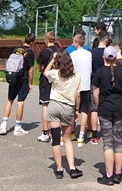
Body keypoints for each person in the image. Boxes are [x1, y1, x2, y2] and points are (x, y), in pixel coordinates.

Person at [92, 45, 122, 185]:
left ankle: (108, 175)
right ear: (115, 58)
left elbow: (95, 93)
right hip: (120, 108)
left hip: (105, 108)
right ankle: (118, 173)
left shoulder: (99, 72)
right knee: (118, 141)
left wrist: (100, 105)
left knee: (108, 142)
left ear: (104, 58)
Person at [43, 49, 84, 179]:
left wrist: (52, 60)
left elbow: (45, 72)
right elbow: (78, 95)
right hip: (68, 108)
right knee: (67, 139)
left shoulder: (56, 73)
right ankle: (72, 168)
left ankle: (59, 169)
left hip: (54, 106)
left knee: (55, 140)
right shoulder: (76, 76)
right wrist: (76, 110)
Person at [0, 33, 36, 136]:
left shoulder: (16, 50)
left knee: (10, 100)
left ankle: (3, 126)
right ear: (32, 42)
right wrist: (31, 83)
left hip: (13, 78)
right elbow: (31, 70)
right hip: (23, 80)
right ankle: (17, 128)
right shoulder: (30, 53)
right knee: (20, 102)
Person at [69, 33, 93, 147]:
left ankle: (72, 132)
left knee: (73, 109)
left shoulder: (73, 54)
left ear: (77, 43)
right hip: (86, 84)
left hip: (75, 84)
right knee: (84, 111)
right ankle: (81, 136)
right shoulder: (89, 53)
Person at [37, 31, 59, 142]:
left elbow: (39, 68)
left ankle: (46, 132)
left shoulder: (44, 52)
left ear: (46, 40)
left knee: (45, 105)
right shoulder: (59, 51)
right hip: (57, 80)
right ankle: (56, 131)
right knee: (56, 105)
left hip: (45, 80)